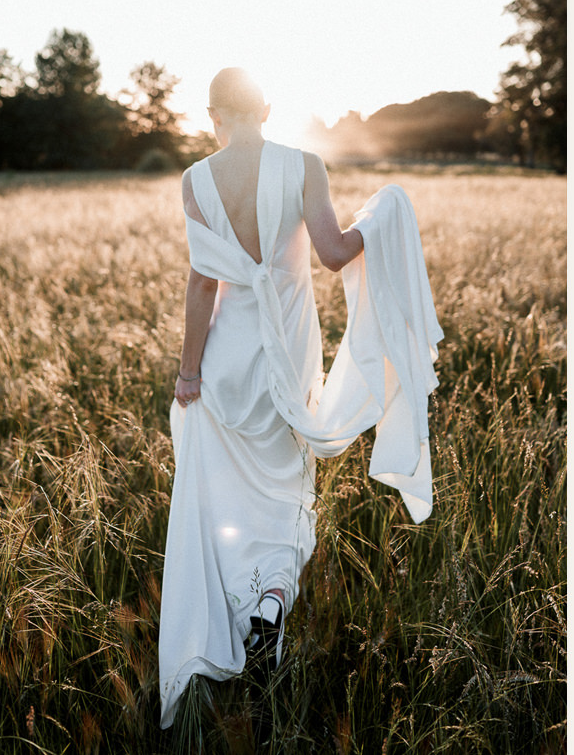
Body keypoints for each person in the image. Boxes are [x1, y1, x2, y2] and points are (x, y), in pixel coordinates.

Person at [159, 68, 441, 728]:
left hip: (226, 357)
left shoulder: (194, 180)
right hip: (287, 347)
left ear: (212, 116)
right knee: (290, 488)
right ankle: (272, 601)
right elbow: (336, 254)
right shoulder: (304, 164)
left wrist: (188, 372)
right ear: (267, 108)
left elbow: (204, 286)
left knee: (231, 494)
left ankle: (246, 609)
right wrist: (383, 214)